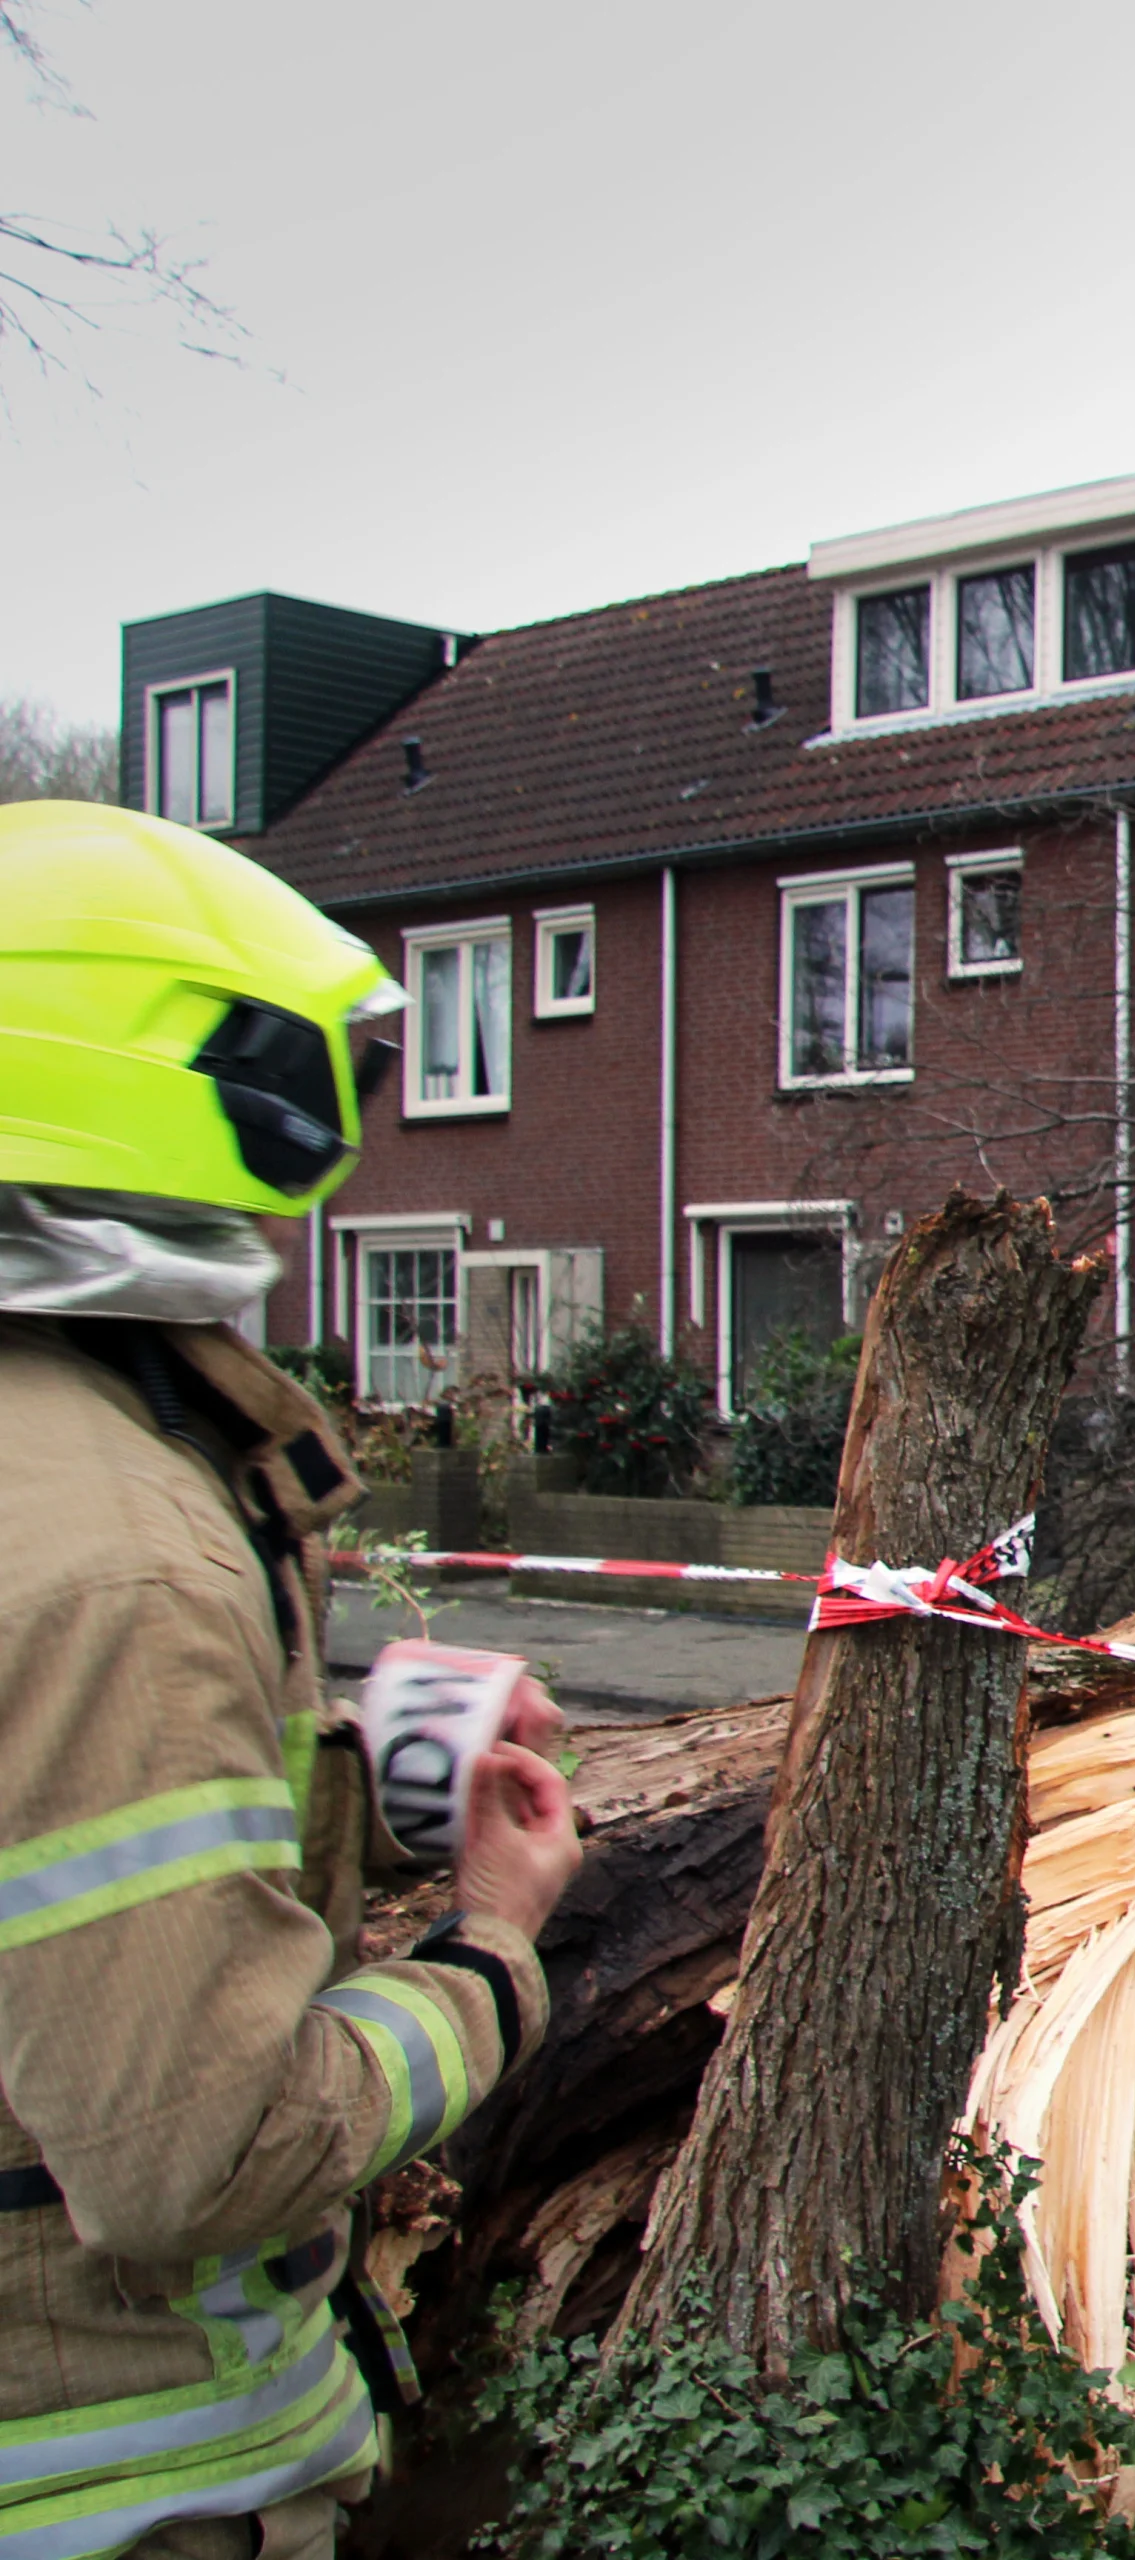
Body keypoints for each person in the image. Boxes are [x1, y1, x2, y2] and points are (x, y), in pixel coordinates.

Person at [0, 800, 583, 2557]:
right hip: (115, 2481)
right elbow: (201, 2151)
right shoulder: (126, 1555)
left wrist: (352, 1772)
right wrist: (491, 1943)